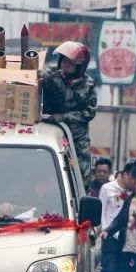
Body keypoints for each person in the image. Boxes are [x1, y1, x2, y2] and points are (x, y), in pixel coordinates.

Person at [41, 41, 98, 180]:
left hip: (77, 137)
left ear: (80, 66)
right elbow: (37, 77)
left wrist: (64, 117)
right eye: (64, 60)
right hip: (50, 131)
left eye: (70, 62)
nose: (66, 64)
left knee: (81, 174)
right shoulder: (52, 77)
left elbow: (90, 112)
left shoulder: (88, 85)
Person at [98, 164, 131, 272]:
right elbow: (102, 211)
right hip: (110, 235)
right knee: (109, 271)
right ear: (124, 174)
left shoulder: (132, 192)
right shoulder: (107, 188)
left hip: (126, 237)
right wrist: (105, 230)